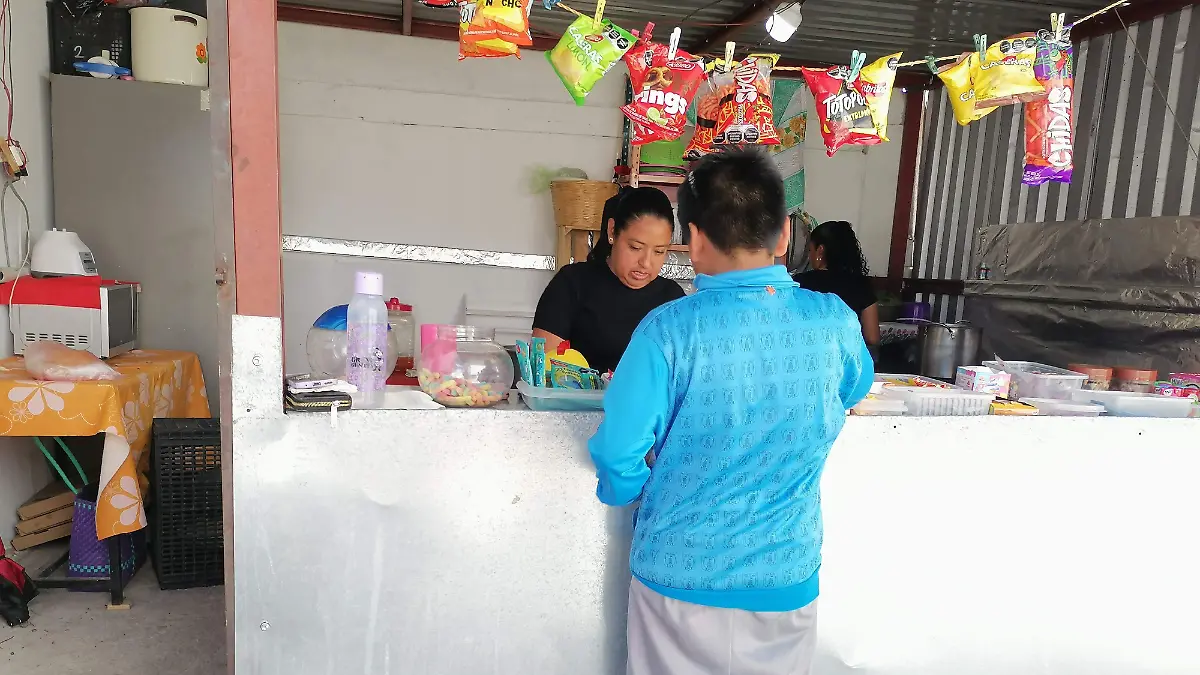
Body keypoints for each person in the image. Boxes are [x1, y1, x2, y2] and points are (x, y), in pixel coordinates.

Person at [588, 150, 874, 675]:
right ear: (785, 234)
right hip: (783, 576)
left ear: (693, 239)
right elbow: (855, 387)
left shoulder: (668, 330)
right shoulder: (834, 320)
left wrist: (635, 494)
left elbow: (617, 453)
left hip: (680, 575)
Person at [533, 187, 685, 374]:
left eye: (659, 251)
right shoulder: (572, 283)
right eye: (635, 247)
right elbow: (543, 369)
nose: (645, 262)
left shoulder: (672, 299)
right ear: (612, 230)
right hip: (575, 403)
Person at [793, 220, 881, 355]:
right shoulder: (861, 284)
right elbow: (872, 337)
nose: (809, 256)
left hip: (808, 360)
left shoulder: (799, 283)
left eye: (810, 250)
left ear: (820, 251)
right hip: (849, 362)